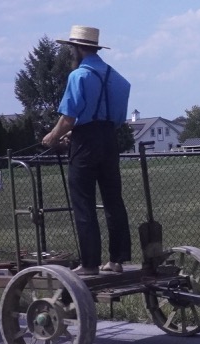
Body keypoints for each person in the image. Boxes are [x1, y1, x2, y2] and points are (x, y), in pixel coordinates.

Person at [42, 25, 133, 276]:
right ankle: (117, 259)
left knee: (84, 203)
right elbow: (114, 118)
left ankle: (90, 263)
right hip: (109, 138)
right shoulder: (117, 78)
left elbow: (68, 118)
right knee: (114, 201)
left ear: (77, 49)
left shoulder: (78, 76)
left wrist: (53, 137)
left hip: (85, 143)